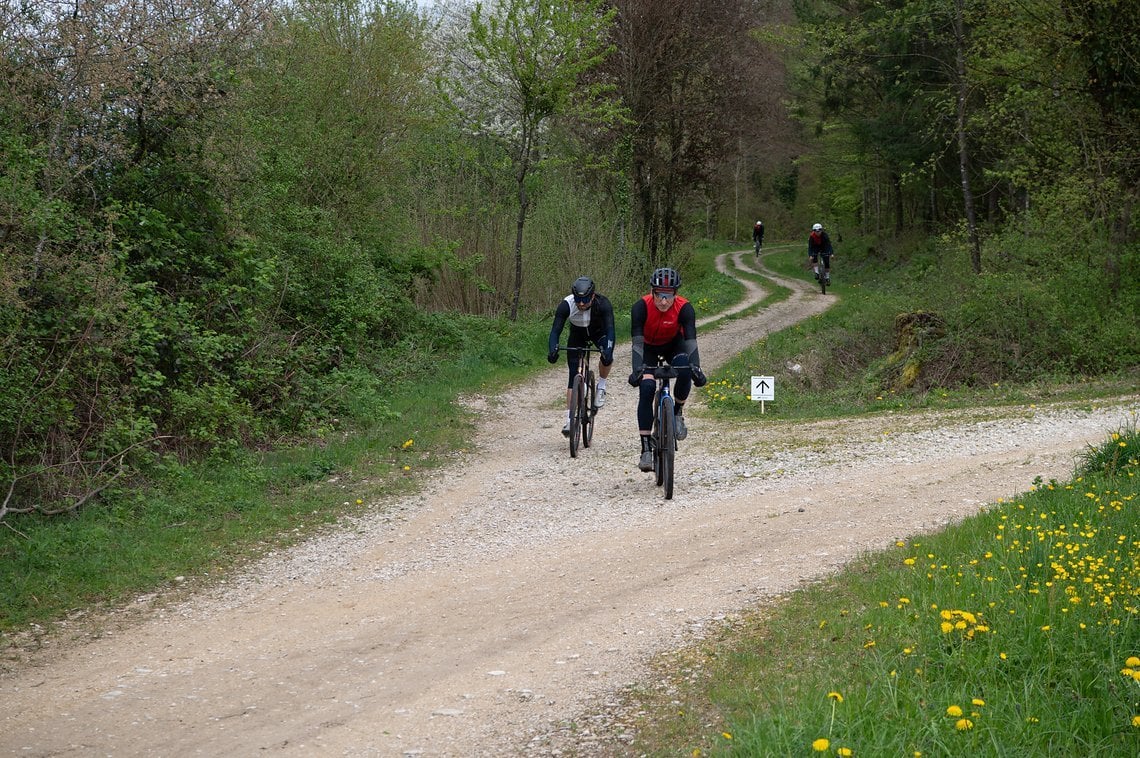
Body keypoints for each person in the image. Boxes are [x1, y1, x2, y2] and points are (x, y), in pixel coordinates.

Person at [627, 267, 707, 472]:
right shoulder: (641, 307)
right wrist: (637, 369)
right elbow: (637, 343)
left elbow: (690, 341)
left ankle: (678, 411)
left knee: (685, 369)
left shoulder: (685, 308)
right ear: (652, 292)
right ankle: (645, 448)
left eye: (668, 296)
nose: (663, 301)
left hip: (674, 345)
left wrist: (696, 367)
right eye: (659, 296)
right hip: (648, 348)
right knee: (646, 388)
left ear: (675, 295)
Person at [547, 276, 615, 437]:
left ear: (592, 296)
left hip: (599, 333)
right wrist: (553, 350)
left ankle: (601, 387)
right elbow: (555, 330)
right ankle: (569, 420)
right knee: (572, 375)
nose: (581, 303)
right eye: (578, 299)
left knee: (607, 356)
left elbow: (611, 331)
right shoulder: (566, 304)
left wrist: (608, 351)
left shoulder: (603, 304)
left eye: (585, 300)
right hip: (577, 336)